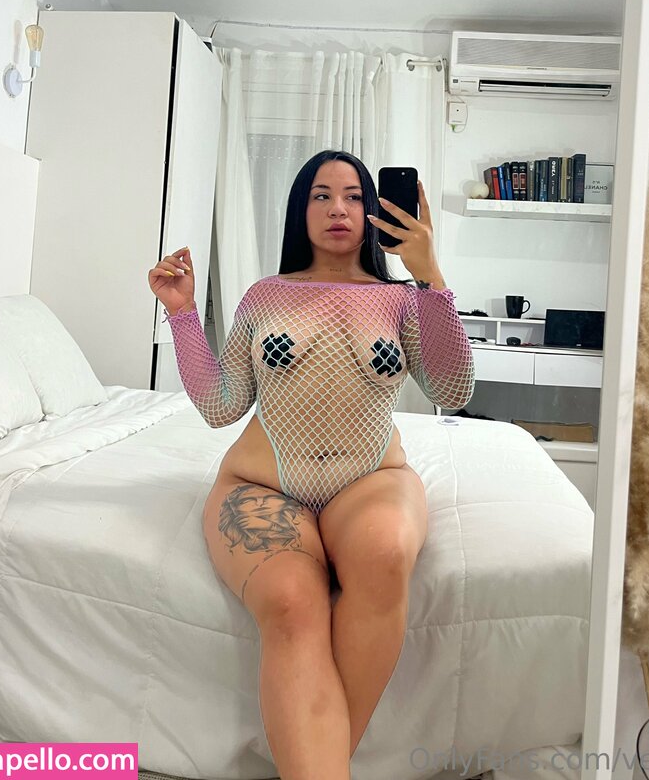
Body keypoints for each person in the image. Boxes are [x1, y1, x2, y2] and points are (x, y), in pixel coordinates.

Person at [147, 149, 475, 780]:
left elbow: (452, 389)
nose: (338, 208)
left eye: (354, 196)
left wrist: (431, 278)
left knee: (384, 557)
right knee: (293, 603)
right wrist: (183, 313)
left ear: (374, 209)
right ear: (300, 209)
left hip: (372, 481)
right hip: (262, 486)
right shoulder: (265, 295)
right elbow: (220, 406)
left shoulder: (403, 301)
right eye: (321, 195)